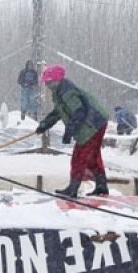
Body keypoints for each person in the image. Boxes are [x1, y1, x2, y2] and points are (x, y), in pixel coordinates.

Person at [35, 64, 110, 197]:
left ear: (56, 81)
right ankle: (101, 185)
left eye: (49, 82)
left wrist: (69, 132)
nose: (47, 86)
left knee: (79, 157)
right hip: (97, 122)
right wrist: (44, 125)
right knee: (92, 156)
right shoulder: (59, 92)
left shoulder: (67, 92)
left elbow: (79, 111)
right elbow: (58, 112)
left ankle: (73, 188)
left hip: (93, 124)